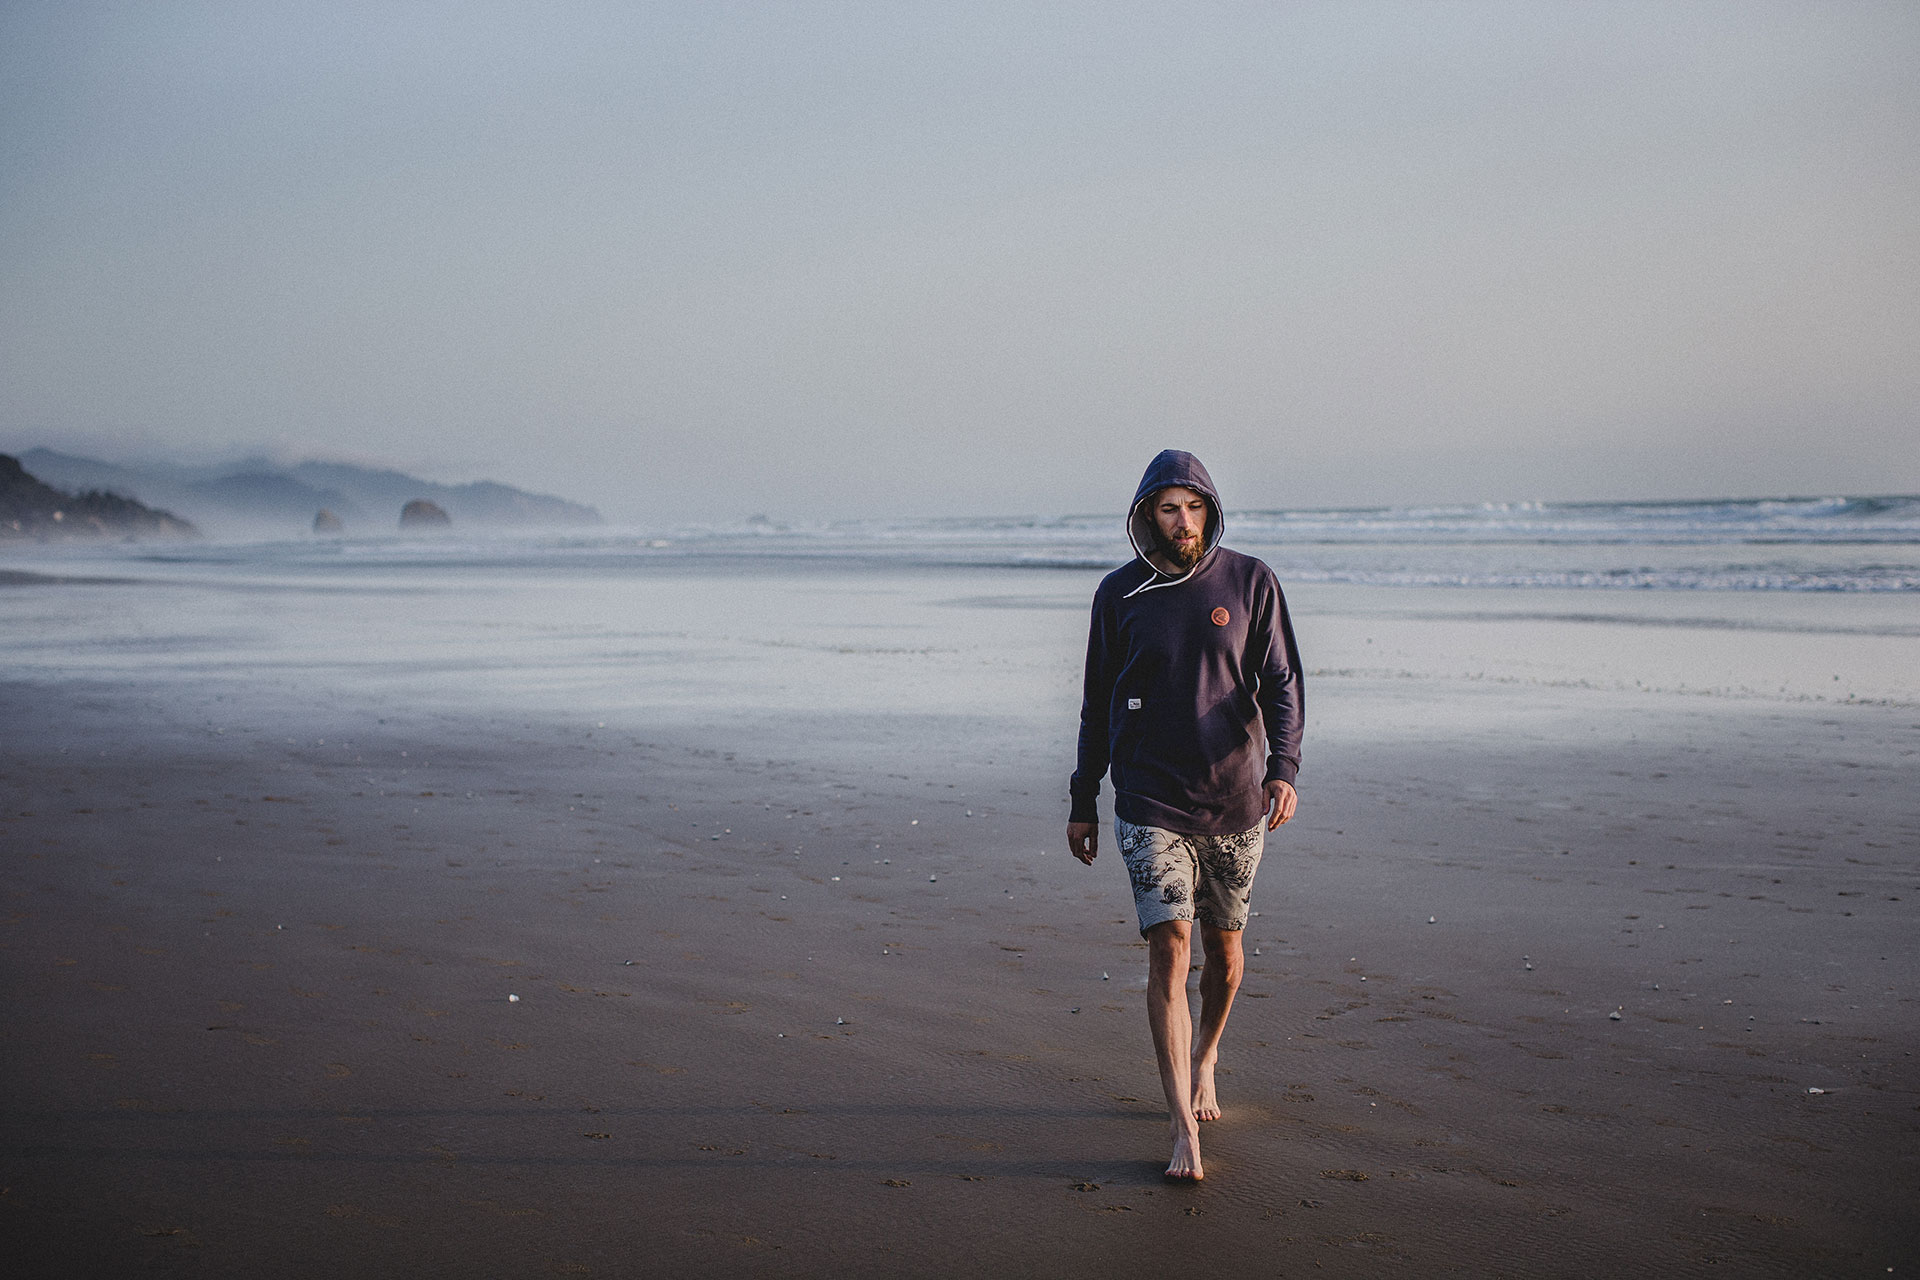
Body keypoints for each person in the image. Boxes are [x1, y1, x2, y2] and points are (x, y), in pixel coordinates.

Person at [1067, 449, 1303, 1181]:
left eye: (1194, 507)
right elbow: (1096, 700)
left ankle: (1206, 1057)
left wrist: (1283, 768)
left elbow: (1284, 682)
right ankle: (1180, 1128)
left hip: (1234, 797)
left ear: (1210, 510)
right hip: (1148, 798)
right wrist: (1084, 797)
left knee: (1225, 956)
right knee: (1170, 946)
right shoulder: (1120, 593)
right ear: (1147, 514)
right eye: (1169, 508)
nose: (1183, 521)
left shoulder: (1251, 580)